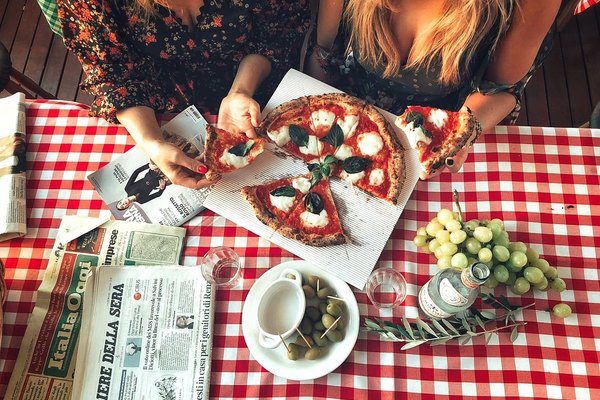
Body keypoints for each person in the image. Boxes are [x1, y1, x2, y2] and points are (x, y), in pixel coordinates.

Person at [57, 0, 311, 188]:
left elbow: (276, 35)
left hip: (257, 95)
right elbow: (113, 72)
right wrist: (151, 142)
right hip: (161, 107)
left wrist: (240, 90)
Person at [307, 0, 561, 179]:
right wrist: (311, 115)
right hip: (346, 101)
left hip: (434, 127)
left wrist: (460, 132)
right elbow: (325, 51)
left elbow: (500, 89)